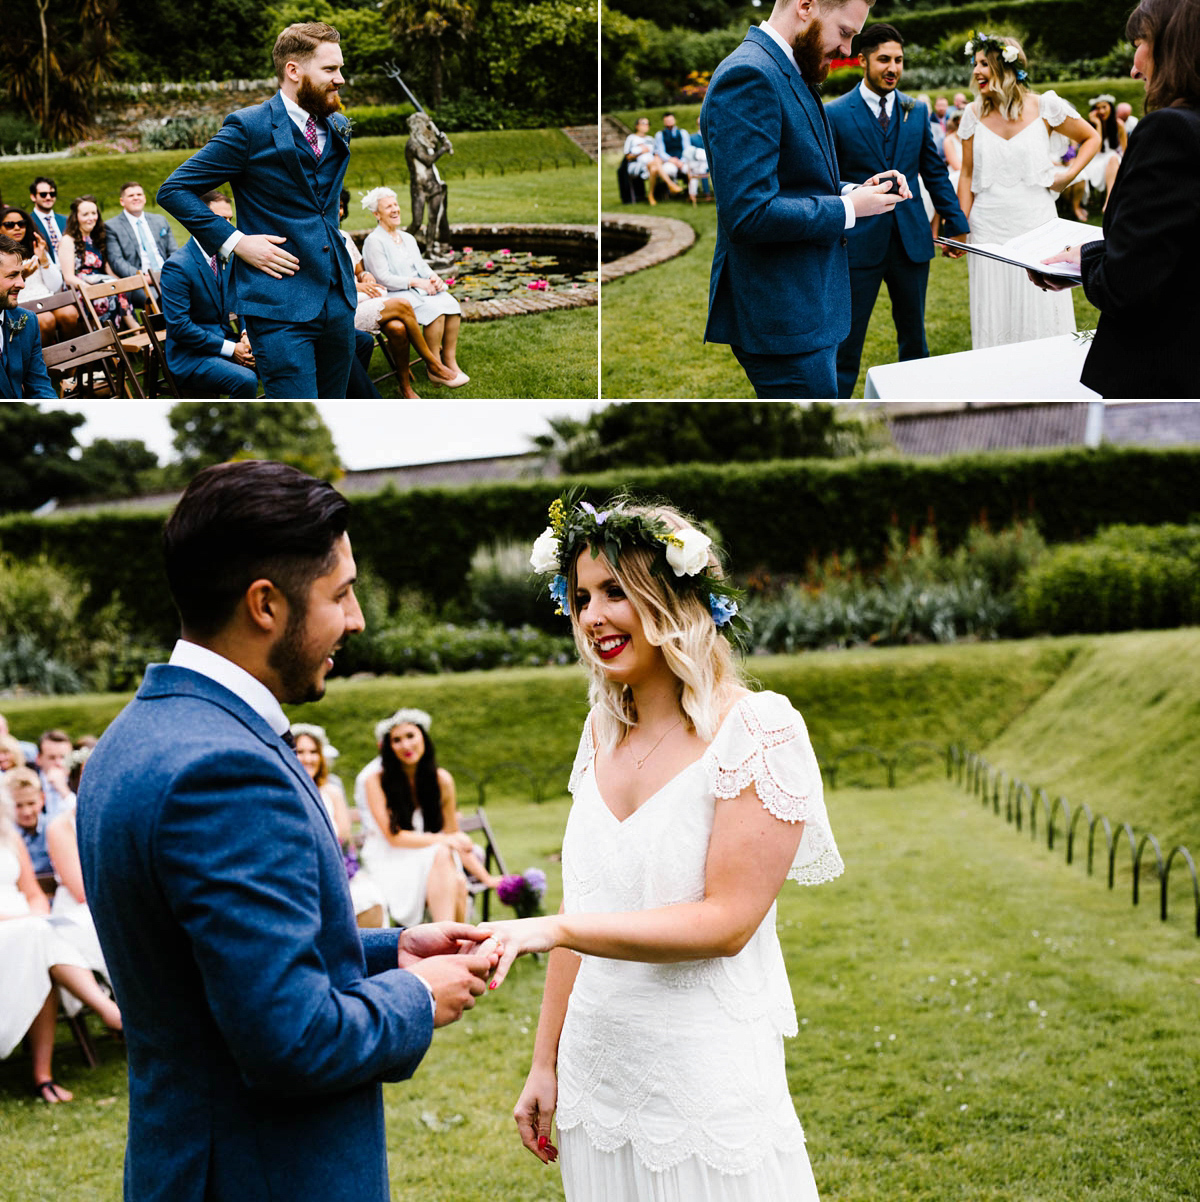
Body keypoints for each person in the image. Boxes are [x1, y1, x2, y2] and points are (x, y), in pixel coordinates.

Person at [76, 459, 497, 1202]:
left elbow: (211, 970)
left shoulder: (136, 734)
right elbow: (292, 1040)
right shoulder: (223, 769)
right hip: (265, 1175)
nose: (358, 618)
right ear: (265, 604)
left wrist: (387, 949)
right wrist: (417, 993)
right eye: (341, 593)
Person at [480, 493, 844, 1201]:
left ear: (672, 598)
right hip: (597, 1080)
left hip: (702, 1087)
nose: (591, 617)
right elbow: (586, 906)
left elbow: (727, 922)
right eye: (580, 596)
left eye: (615, 591)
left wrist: (554, 926)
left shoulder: (756, 731)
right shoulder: (599, 731)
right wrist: (545, 1064)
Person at [700, 0, 910, 399]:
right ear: (806, 6)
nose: (848, 51)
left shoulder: (789, 69)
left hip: (807, 308)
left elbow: (794, 179)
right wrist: (850, 209)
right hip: (783, 318)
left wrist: (855, 191)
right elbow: (748, 213)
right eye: (845, 33)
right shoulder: (749, 75)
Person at [157, 23, 359, 398]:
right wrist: (235, 242)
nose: (341, 79)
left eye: (340, 68)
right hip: (277, 304)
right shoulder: (248, 128)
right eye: (330, 70)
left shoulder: (338, 124)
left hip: (337, 296)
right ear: (293, 70)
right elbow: (174, 190)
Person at [1035, 0, 1200, 398]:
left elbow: (1126, 284)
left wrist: (1088, 263)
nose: (1134, 67)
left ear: (1168, 44)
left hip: (1162, 370)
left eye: (1138, 44)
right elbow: (1175, 245)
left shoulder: (1171, 131)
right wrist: (1092, 250)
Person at [827, 23, 969, 397]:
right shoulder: (836, 113)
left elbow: (934, 172)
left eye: (899, 60)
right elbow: (828, 178)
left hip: (911, 241)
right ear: (863, 60)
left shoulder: (916, 110)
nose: (893, 68)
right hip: (857, 245)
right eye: (884, 60)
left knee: (915, 340)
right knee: (847, 343)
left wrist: (955, 223)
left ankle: (915, 403)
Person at [956, 32, 1099, 348]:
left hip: (1037, 223)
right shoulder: (971, 114)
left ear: (1005, 67)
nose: (976, 71)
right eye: (974, 64)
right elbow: (966, 174)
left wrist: (1068, 175)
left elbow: (1091, 138)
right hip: (987, 226)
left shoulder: (1046, 106)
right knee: (994, 304)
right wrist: (958, 224)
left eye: (984, 63)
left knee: (1041, 299)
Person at [1, 783, 123, 1104]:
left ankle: (45, 1077)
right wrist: (24, 922)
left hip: (29, 929)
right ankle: (111, 1012)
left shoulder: (9, 837)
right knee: (37, 939)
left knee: (39, 942)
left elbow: (34, 893)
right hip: (7, 933)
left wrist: (38, 914)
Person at [361, 708, 501, 927]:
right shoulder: (375, 781)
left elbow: (452, 834)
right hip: (390, 856)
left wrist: (486, 878)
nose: (406, 745)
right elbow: (394, 837)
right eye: (396, 740)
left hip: (432, 856)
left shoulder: (442, 780)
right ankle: (449, 938)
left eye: (410, 736)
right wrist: (445, 840)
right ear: (388, 747)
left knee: (456, 877)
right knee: (450, 866)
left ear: (423, 737)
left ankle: (445, 939)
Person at [337, 189, 464, 396]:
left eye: (341, 207)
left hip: (366, 298)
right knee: (403, 320)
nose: (395, 209)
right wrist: (359, 285)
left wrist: (365, 277)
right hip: (353, 301)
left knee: (445, 305)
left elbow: (361, 272)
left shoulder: (345, 237)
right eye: (388, 206)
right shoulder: (373, 241)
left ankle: (440, 365)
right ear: (376, 214)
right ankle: (433, 365)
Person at [160, 189, 258, 398]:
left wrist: (245, 334)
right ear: (199, 220)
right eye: (221, 219)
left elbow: (242, 300)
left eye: (230, 220)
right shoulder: (177, 267)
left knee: (282, 358)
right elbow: (179, 327)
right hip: (191, 357)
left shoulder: (226, 257)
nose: (228, 228)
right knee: (246, 380)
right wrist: (232, 349)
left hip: (226, 341)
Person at [292, 722, 387, 927]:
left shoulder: (331, 792)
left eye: (313, 752)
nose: (308, 758)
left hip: (337, 870)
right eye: (300, 751)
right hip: (301, 875)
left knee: (370, 897)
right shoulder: (286, 792)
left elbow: (344, 840)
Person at [0, 206, 83, 346]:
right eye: (10, 225)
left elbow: (55, 285)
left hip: (46, 298)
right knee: (45, 320)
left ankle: (71, 363)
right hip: (21, 302)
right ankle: (45, 362)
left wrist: (43, 259)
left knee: (70, 313)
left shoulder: (36, 247)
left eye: (21, 224)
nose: (17, 228)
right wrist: (23, 276)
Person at [58, 195, 137, 329]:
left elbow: (106, 269)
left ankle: (133, 333)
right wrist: (90, 288)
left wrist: (120, 283)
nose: (91, 218)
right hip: (80, 287)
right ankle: (111, 338)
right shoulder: (68, 240)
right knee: (105, 297)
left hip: (100, 281)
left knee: (119, 289)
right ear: (76, 217)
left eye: (94, 213)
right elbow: (68, 278)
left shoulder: (96, 238)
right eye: (85, 214)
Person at [105, 181, 179, 308]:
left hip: (167, 274)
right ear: (122, 201)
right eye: (131, 195)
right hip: (139, 282)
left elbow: (173, 251)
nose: (136, 197)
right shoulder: (111, 226)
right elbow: (117, 261)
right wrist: (142, 278)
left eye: (139, 194)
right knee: (162, 299)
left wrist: (170, 272)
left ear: (144, 199)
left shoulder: (160, 220)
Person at [0, 233, 54, 398]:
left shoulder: (26, 321)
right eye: (12, 275)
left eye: (21, 274)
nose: (22, 284)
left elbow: (40, 387)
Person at [1081, 94, 1127, 213]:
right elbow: (1096, 149)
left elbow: (1125, 149)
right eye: (1098, 108)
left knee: (1113, 159)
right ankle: (1111, 202)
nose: (1101, 111)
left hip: (1113, 158)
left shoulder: (1118, 124)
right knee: (1112, 159)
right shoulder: (1090, 125)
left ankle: (1108, 201)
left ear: (1110, 107)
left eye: (1104, 107)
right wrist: (1098, 124)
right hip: (1095, 159)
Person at [621, 117, 683, 204]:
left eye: (647, 124)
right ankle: (671, 185)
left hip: (652, 165)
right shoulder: (631, 138)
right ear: (637, 126)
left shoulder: (650, 139)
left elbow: (656, 154)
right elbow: (627, 157)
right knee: (655, 165)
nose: (646, 126)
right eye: (643, 123)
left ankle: (650, 195)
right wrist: (641, 152)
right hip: (637, 165)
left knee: (654, 169)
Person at [7, 767, 51, 875]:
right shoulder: (6, 835)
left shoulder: (53, 828)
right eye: (18, 806)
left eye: (31, 803)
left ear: (42, 799)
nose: (26, 812)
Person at [36, 729, 76, 821]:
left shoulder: (80, 781)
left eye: (63, 757)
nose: (58, 763)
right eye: (52, 757)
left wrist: (63, 790)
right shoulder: (31, 780)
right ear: (39, 758)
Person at [28, 178, 66, 266]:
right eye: (43, 194)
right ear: (33, 197)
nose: (48, 197)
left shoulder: (66, 220)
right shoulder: (27, 223)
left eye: (52, 194)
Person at [653, 112, 691, 185]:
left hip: (683, 160)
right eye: (667, 120)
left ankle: (691, 191)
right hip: (669, 161)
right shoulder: (659, 135)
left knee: (688, 169)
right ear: (664, 122)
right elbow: (661, 152)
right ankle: (673, 188)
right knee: (669, 170)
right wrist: (671, 160)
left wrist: (682, 161)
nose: (669, 122)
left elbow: (687, 149)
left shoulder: (683, 132)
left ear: (674, 120)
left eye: (671, 120)